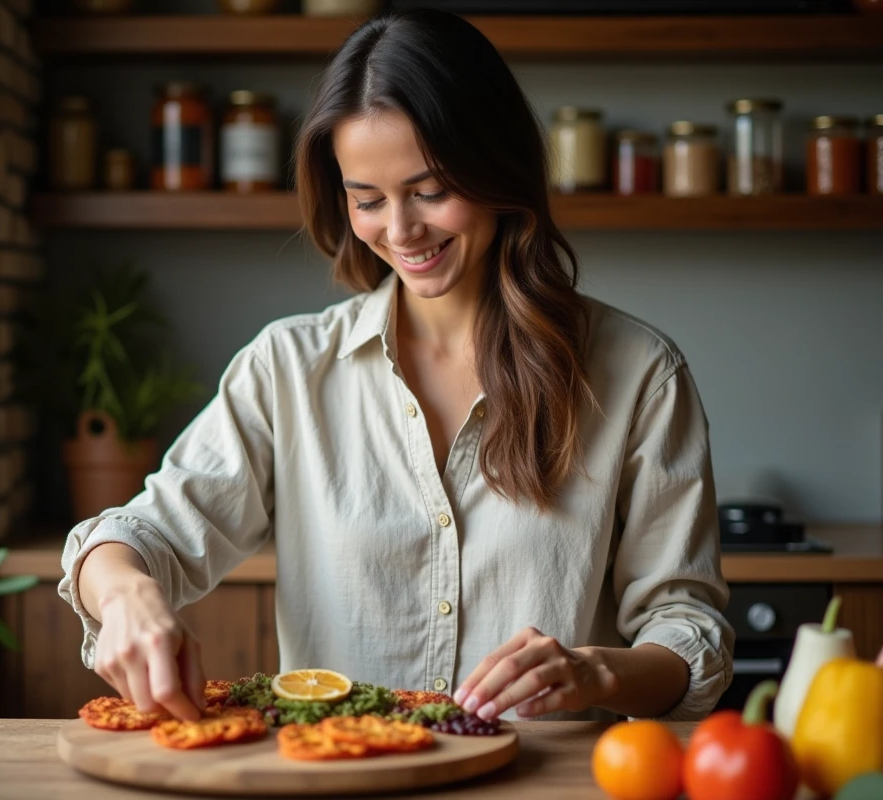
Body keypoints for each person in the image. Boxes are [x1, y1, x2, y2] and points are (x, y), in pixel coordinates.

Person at [58, 8, 733, 724]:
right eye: (368, 200)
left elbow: (688, 629)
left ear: (496, 169)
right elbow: (143, 536)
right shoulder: (287, 370)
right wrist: (127, 594)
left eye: (431, 191)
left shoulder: (638, 374)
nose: (402, 231)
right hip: (340, 776)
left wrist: (594, 671)